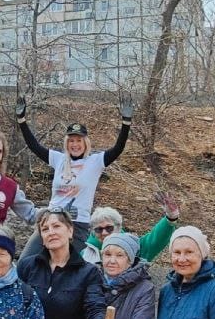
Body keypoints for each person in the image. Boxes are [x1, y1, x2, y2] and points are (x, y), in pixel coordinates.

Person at [15, 94, 132, 254]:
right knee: (26, 262)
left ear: (85, 142)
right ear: (66, 143)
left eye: (78, 140)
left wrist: (126, 122)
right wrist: (21, 120)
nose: (75, 144)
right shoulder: (58, 159)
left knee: (75, 266)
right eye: (71, 140)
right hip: (52, 220)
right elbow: (34, 146)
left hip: (77, 224)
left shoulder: (95, 162)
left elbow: (118, 148)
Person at [80, 194, 181, 266]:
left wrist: (171, 217)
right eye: (99, 229)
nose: (104, 233)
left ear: (118, 227)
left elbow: (154, 240)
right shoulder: (85, 254)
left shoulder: (134, 248)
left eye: (109, 228)